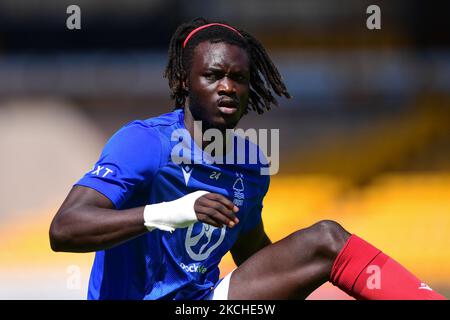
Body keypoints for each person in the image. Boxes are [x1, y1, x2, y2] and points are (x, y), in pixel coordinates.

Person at [49, 17, 446, 300]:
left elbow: (253, 253)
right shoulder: (143, 142)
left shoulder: (250, 163)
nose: (227, 87)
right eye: (213, 75)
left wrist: (296, 281)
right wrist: (170, 212)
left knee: (325, 239)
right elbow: (64, 230)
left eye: (238, 78)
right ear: (186, 82)